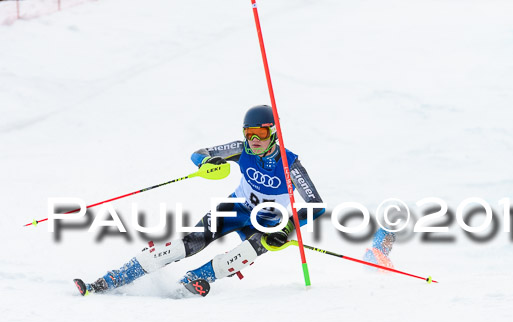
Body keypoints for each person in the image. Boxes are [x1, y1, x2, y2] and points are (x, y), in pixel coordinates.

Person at [74, 105, 325, 296]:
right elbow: (200, 154)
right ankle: (113, 278)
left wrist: (289, 228)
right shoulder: (241, 148)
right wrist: (207, 162)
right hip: (236, 206)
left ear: (273, 134)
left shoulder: (290, 164)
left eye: (259, 133)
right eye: (249, 134)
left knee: (246, 252)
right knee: (187, 244)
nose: (253, 140)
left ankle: (194, 281)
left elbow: (316, 204)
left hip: (268, 220)